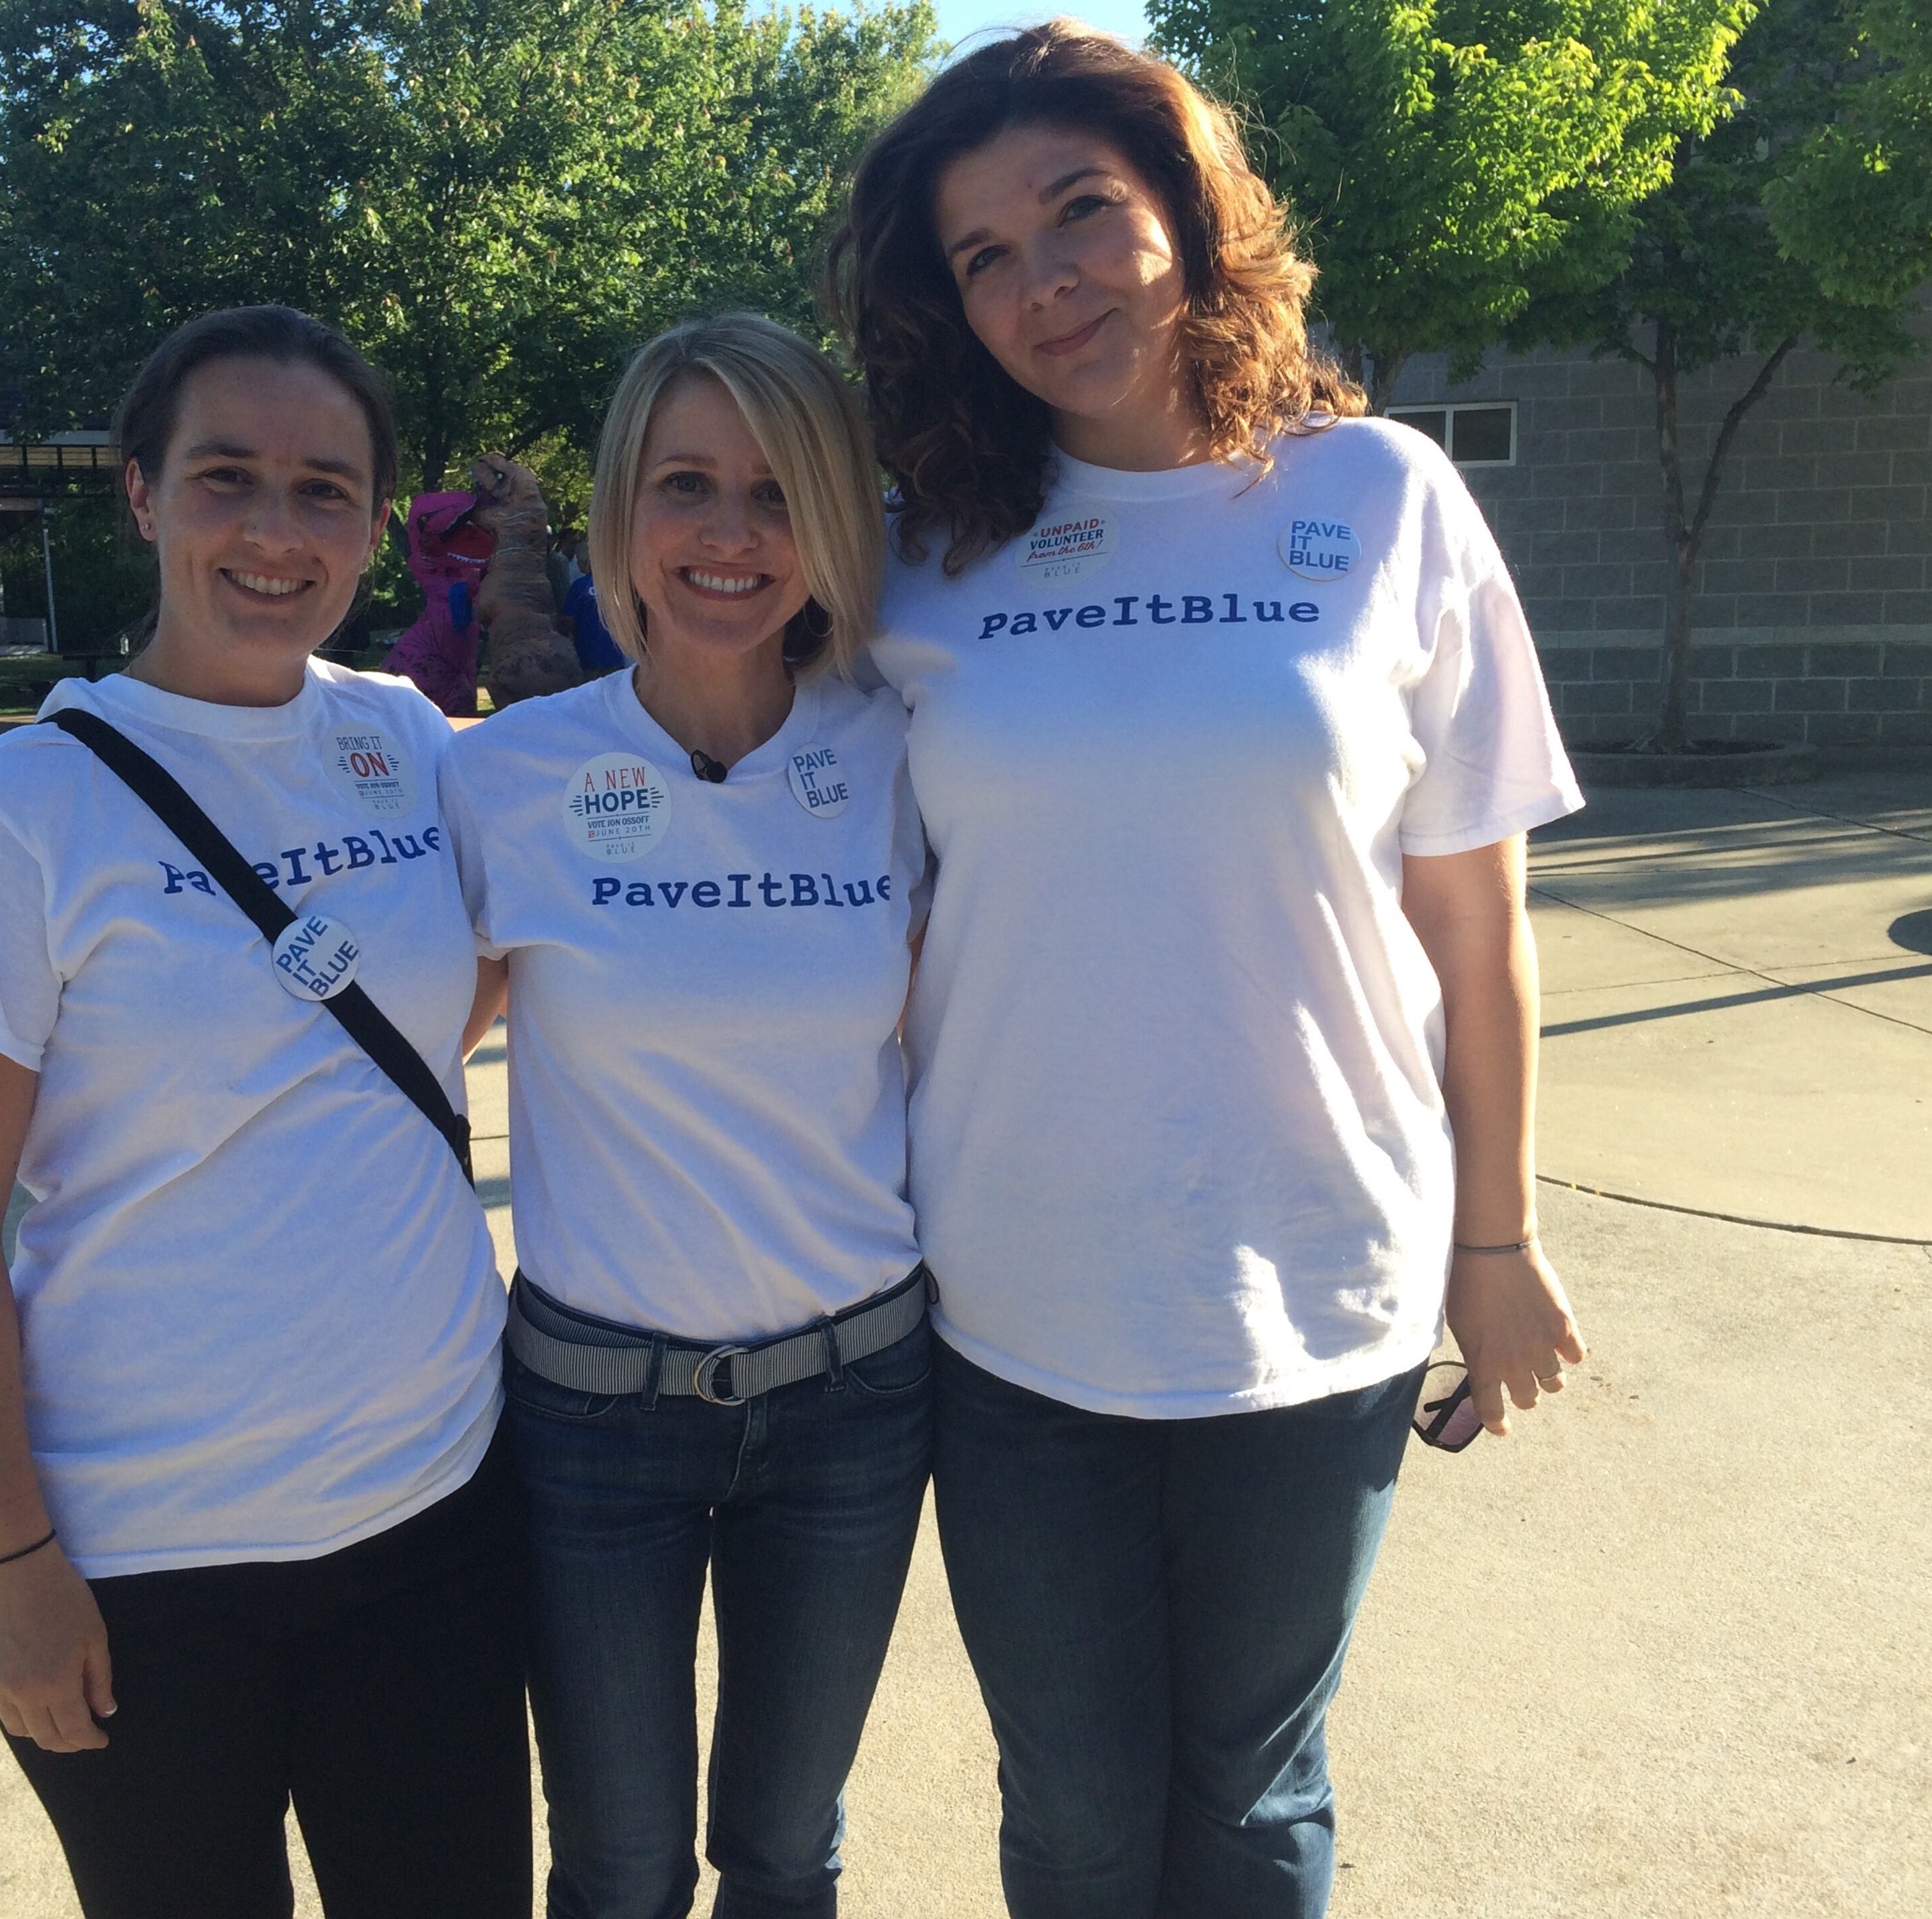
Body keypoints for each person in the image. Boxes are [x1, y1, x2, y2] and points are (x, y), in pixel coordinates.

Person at [824, 26, 1588, 1918]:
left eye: (1083, 210)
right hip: (1013, 1296)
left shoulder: (1384, 497)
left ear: (1191, 211)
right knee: (1077, 1810)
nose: (1045, 280)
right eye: (984, 255)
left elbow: (1476, 931)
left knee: (1254, 1797)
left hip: (1320, 1279)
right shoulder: (920, 556)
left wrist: (1493, 1237)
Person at [0, 305, 528, 1919]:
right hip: (145, 1568)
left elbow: (459, 1001)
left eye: (325, 490)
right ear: (143, 494)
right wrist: (11, 1567)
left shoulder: (408, 741)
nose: (276, 531)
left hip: (432, 1517)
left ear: (375, 521)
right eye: (228, 477)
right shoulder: (15, 809)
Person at [439, 312, 928, 1919]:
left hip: (855, 1403)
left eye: (781, 493)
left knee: (788, 1853)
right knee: (620, 1866)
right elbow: (392, 1062)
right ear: (620, 515)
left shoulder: (905, 754)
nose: (733, 536)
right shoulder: (505, 778)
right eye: (689, 486)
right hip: (593, 1422)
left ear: (836, 525)